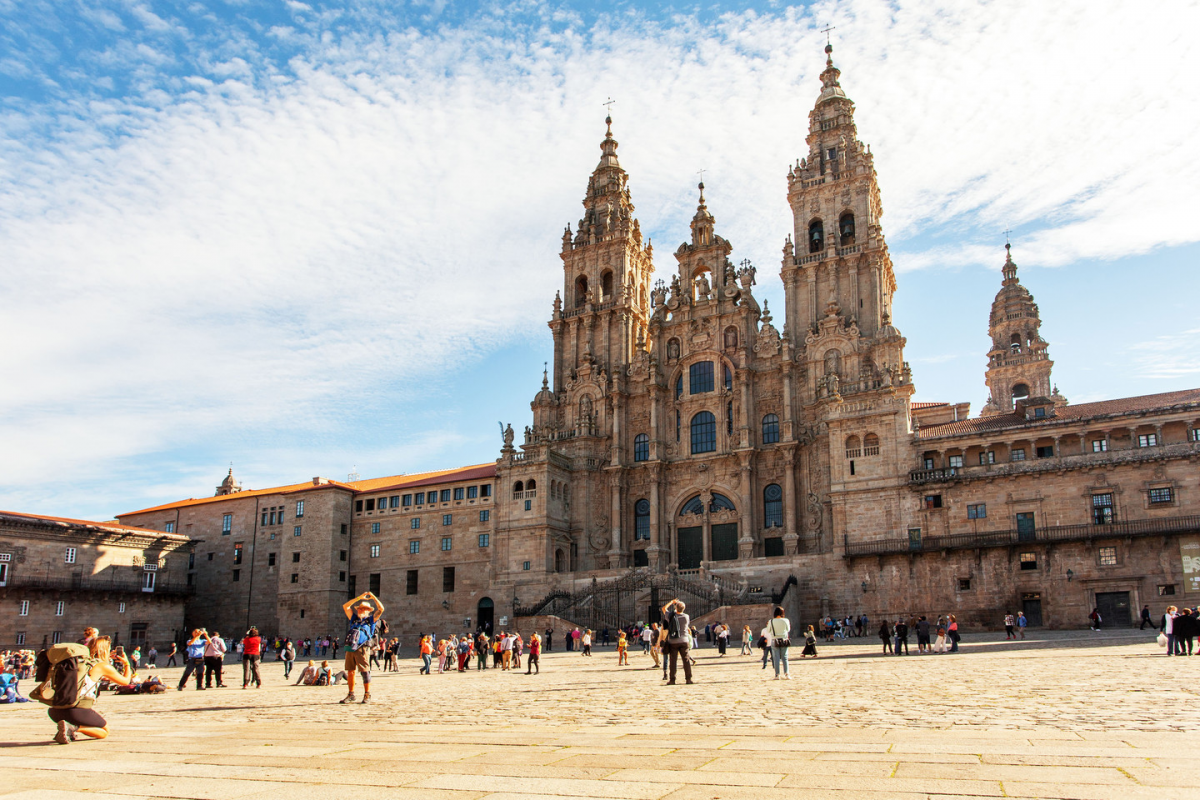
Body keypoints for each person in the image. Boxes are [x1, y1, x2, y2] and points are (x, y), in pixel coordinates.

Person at [49, 636, 134, 744]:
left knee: (85, 720)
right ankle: (72, 728)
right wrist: (126, 663)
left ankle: (68, 730)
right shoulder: (102, 666)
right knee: (104, 731)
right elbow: (125, 681)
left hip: (55, 711)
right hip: (75, 710)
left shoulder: (79, 663)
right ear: (105, 650)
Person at [340, 591, 384, 704]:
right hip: (350, 647)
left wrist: (373, 597)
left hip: (363, 648)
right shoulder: (353, 618)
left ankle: (367, 694)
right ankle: (351, 694)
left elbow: (381, 609)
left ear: (368, 611)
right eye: (360, 608)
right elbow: (346, 606)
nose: (361, 610)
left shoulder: (371, 620)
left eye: (364, 609)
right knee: (350, 671)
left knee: (365, 671)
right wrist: (359, 597)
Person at [662, 598, 693, 685]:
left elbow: (664, 609)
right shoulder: (686, 616)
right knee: (686, 660)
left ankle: (672, 680)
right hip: (684, 640)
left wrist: (672, 602)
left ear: (676, 608)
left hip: (673, 641)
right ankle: (688, 679)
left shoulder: (671, 616)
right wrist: (677, 605)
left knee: (673, 661)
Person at [767, 606, 791, 679]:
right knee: (785, 657)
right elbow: (788, 629)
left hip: (775, 640)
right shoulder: (786, 620)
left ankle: (777, 675)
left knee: (776, 658)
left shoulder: (771, 621)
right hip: (784, 640)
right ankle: (786, 674)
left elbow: (768, 630)